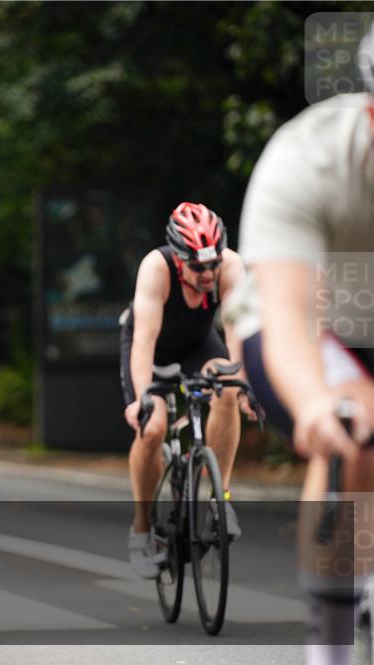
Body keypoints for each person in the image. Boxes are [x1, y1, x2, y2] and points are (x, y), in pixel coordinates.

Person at [224, 27, 374, 665]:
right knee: (356, 419)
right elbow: (287, 316)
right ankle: (332, 648)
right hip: (310, 325)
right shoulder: (308, 157)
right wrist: (316, 404)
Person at [120, 202, 255, 578]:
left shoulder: (230, 267)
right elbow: (144, 341)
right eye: (198, 267)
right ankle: (143, 528)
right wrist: (143, 398)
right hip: (153, 350)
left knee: (228, 387)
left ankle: (219, 500)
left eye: (213, 264)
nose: (208, 273)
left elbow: (236, 335)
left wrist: (245, 386)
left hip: (199, 344)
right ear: (179, 260)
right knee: (153, 429)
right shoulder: (156, 268)